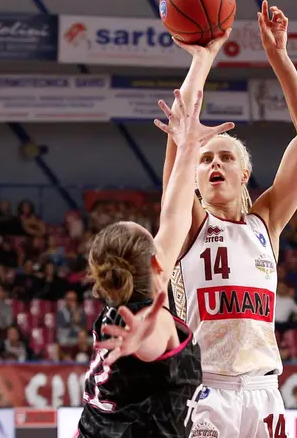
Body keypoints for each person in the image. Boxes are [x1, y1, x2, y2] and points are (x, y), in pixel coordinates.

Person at [160, 0, 297, 437]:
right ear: (192, 178)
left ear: (244, 172)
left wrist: (279, 56)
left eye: (225, 156)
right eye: (205, 158)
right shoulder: (191, 223)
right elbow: (182, 134)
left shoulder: (264, 223)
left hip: (264, 392)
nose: (214, 163)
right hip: (206, 391)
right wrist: (203, 59)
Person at [77, 90, 234, 437]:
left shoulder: (124, 304)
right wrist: (140, 340)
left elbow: (175, 208)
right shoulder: (150, 319)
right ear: (156, 262)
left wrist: (187, 143)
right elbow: (149, 339)